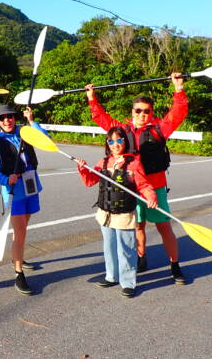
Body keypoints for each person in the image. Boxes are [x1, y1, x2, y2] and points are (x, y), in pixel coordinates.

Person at [85, 73, 189, 284]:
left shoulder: (159, 129)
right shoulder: (123, 130)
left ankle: (175, 265)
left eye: (146, 111)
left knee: (163, 227)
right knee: (138, 225)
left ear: (152, 113)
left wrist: (178, 89)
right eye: (138, 110)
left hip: (155, 187)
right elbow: (102, 119)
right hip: (131, 188)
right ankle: (141, 258)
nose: (142, 114)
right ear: (132, 111)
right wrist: (92, 99)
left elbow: (178, 113)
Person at [75, 126, 157, 298]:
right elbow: (90, 181)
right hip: (105, 214)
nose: (115, 144)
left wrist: (151, 197)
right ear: (107, 143)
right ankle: (112, 276)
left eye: (119, 140)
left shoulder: (134, 163)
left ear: (125, 142)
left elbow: (143, 185)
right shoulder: (103, 162)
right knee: (109, 247)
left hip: (124, 214)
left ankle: (128, 282)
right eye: (111, 141)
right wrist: (83, 169)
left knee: (126, 249)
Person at [0, 104, 48, 295]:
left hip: (31, 186)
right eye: (3, 118)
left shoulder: (24, 133)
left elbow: (44, 139)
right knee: (20, 233)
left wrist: (31, 121)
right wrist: (7, 179)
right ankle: (18, 272)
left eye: (10, 116)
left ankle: (17, 256)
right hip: (14, 192)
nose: (7, 120)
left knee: (22, 229)